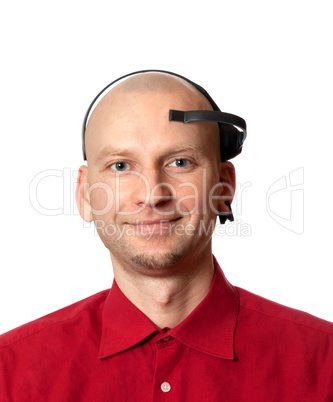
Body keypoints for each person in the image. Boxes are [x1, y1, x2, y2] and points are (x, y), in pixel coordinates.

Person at [0, 71, 332, 401]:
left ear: (224, 186)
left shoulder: (323, 361)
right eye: (120, 166)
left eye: (180, 161)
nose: (153, 195)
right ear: (85, 195)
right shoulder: (10, 371)